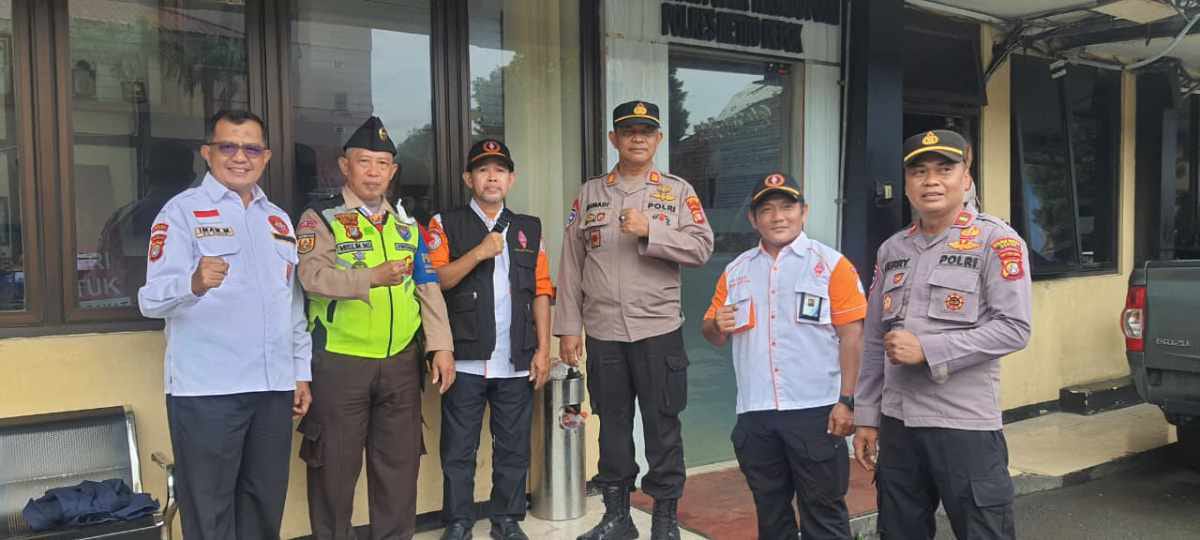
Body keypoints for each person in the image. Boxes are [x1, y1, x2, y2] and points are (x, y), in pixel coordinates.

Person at [138, 109, 311, 540]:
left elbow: (291, 305)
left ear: (266, 156)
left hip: (272, 388)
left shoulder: (278, 220)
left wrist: (300, 372)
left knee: (263, 508)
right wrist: (193, 283)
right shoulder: (181, 213)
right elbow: (150, 300)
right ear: (207, 153)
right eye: (228, 146)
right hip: (208, 391)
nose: (240, 157)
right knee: (210, 514)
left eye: (251, 148)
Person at [853, 130, 1033, 540]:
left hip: (963, 424)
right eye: (918, 171)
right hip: (898, 423)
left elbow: (1014, 328)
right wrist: (866, 415)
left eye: (944, 169)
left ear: (965, 178)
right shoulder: (892, 249)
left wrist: (930, 349)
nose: (931, 181)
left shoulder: (996, 241)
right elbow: (875, 340)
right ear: (906, 184)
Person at [555, 100, 715, 540]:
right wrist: (568, 327)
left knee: (663, 427)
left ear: (658, 139)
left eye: (646, 131)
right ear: (614, 139)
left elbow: (702, 248)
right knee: (612, 427)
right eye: (628, 131)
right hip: (603, 332)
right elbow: (571, 264)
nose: (637, 138)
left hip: (657, 330)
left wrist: (652, 230)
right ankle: (618, 517)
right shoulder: (590, 193)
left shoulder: (678, 192)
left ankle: (664, 520)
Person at [295, 116, 456, 540]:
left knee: (399, 471)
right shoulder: (321, 218)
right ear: (344, 166)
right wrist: (370, 277)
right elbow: (310, 277)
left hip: (400, 364)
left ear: (393, 171)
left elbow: (427, 286)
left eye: (381, 164)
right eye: (363, 161)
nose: (372, 172)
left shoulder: (407, 225)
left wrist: (441, 345)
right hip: (341, 364)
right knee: (333, 472)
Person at [701, 172, 865, 540]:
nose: (778, 217)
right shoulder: (736, 270)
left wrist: (848, 401)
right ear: (753, 219)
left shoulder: (831, 264)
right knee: (771, 515)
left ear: (804, 212)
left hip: (817, 411)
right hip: (756, 414)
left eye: (787, 207)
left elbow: (852, 337)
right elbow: (712, 333)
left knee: (824, 514)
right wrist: (715, 324)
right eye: (767, 210)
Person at [425, 138, 555, 540]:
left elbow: (541, 291)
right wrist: (479, 253)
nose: (492, 177)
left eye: (500, 170)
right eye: (483, 170)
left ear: (511, 179)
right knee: (459, 448)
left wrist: (544, 349)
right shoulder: (444, 223)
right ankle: (459, 522)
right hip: (464, 357)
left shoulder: (529, 228)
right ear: (469, 178)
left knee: (513, 447)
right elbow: (435, 280)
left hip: (516, 357)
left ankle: (506, 520)